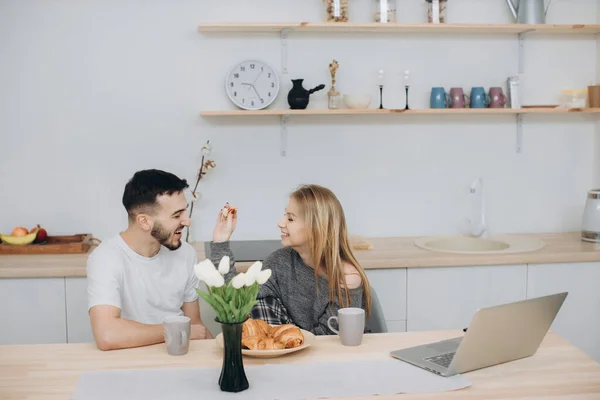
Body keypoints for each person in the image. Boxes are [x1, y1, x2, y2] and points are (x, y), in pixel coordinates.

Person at [86, 169, 237, 351]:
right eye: (176, 215)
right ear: (144, 221)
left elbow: (195, 326)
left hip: (177, 354)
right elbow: (107, 335)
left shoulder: (185, 253)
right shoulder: (106, 258)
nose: (187, 221)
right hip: (127, 358)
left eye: (185, 212)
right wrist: (180, 329)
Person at [251, 184, 372, 335]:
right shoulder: (280, 261)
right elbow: (238, 305)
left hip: (334, 352)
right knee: (258, 303)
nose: (280, 223)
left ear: (316, 226)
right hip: (291, 350)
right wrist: (221, 241)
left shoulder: (346, 278)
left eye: (290, 218)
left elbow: (330, 339)